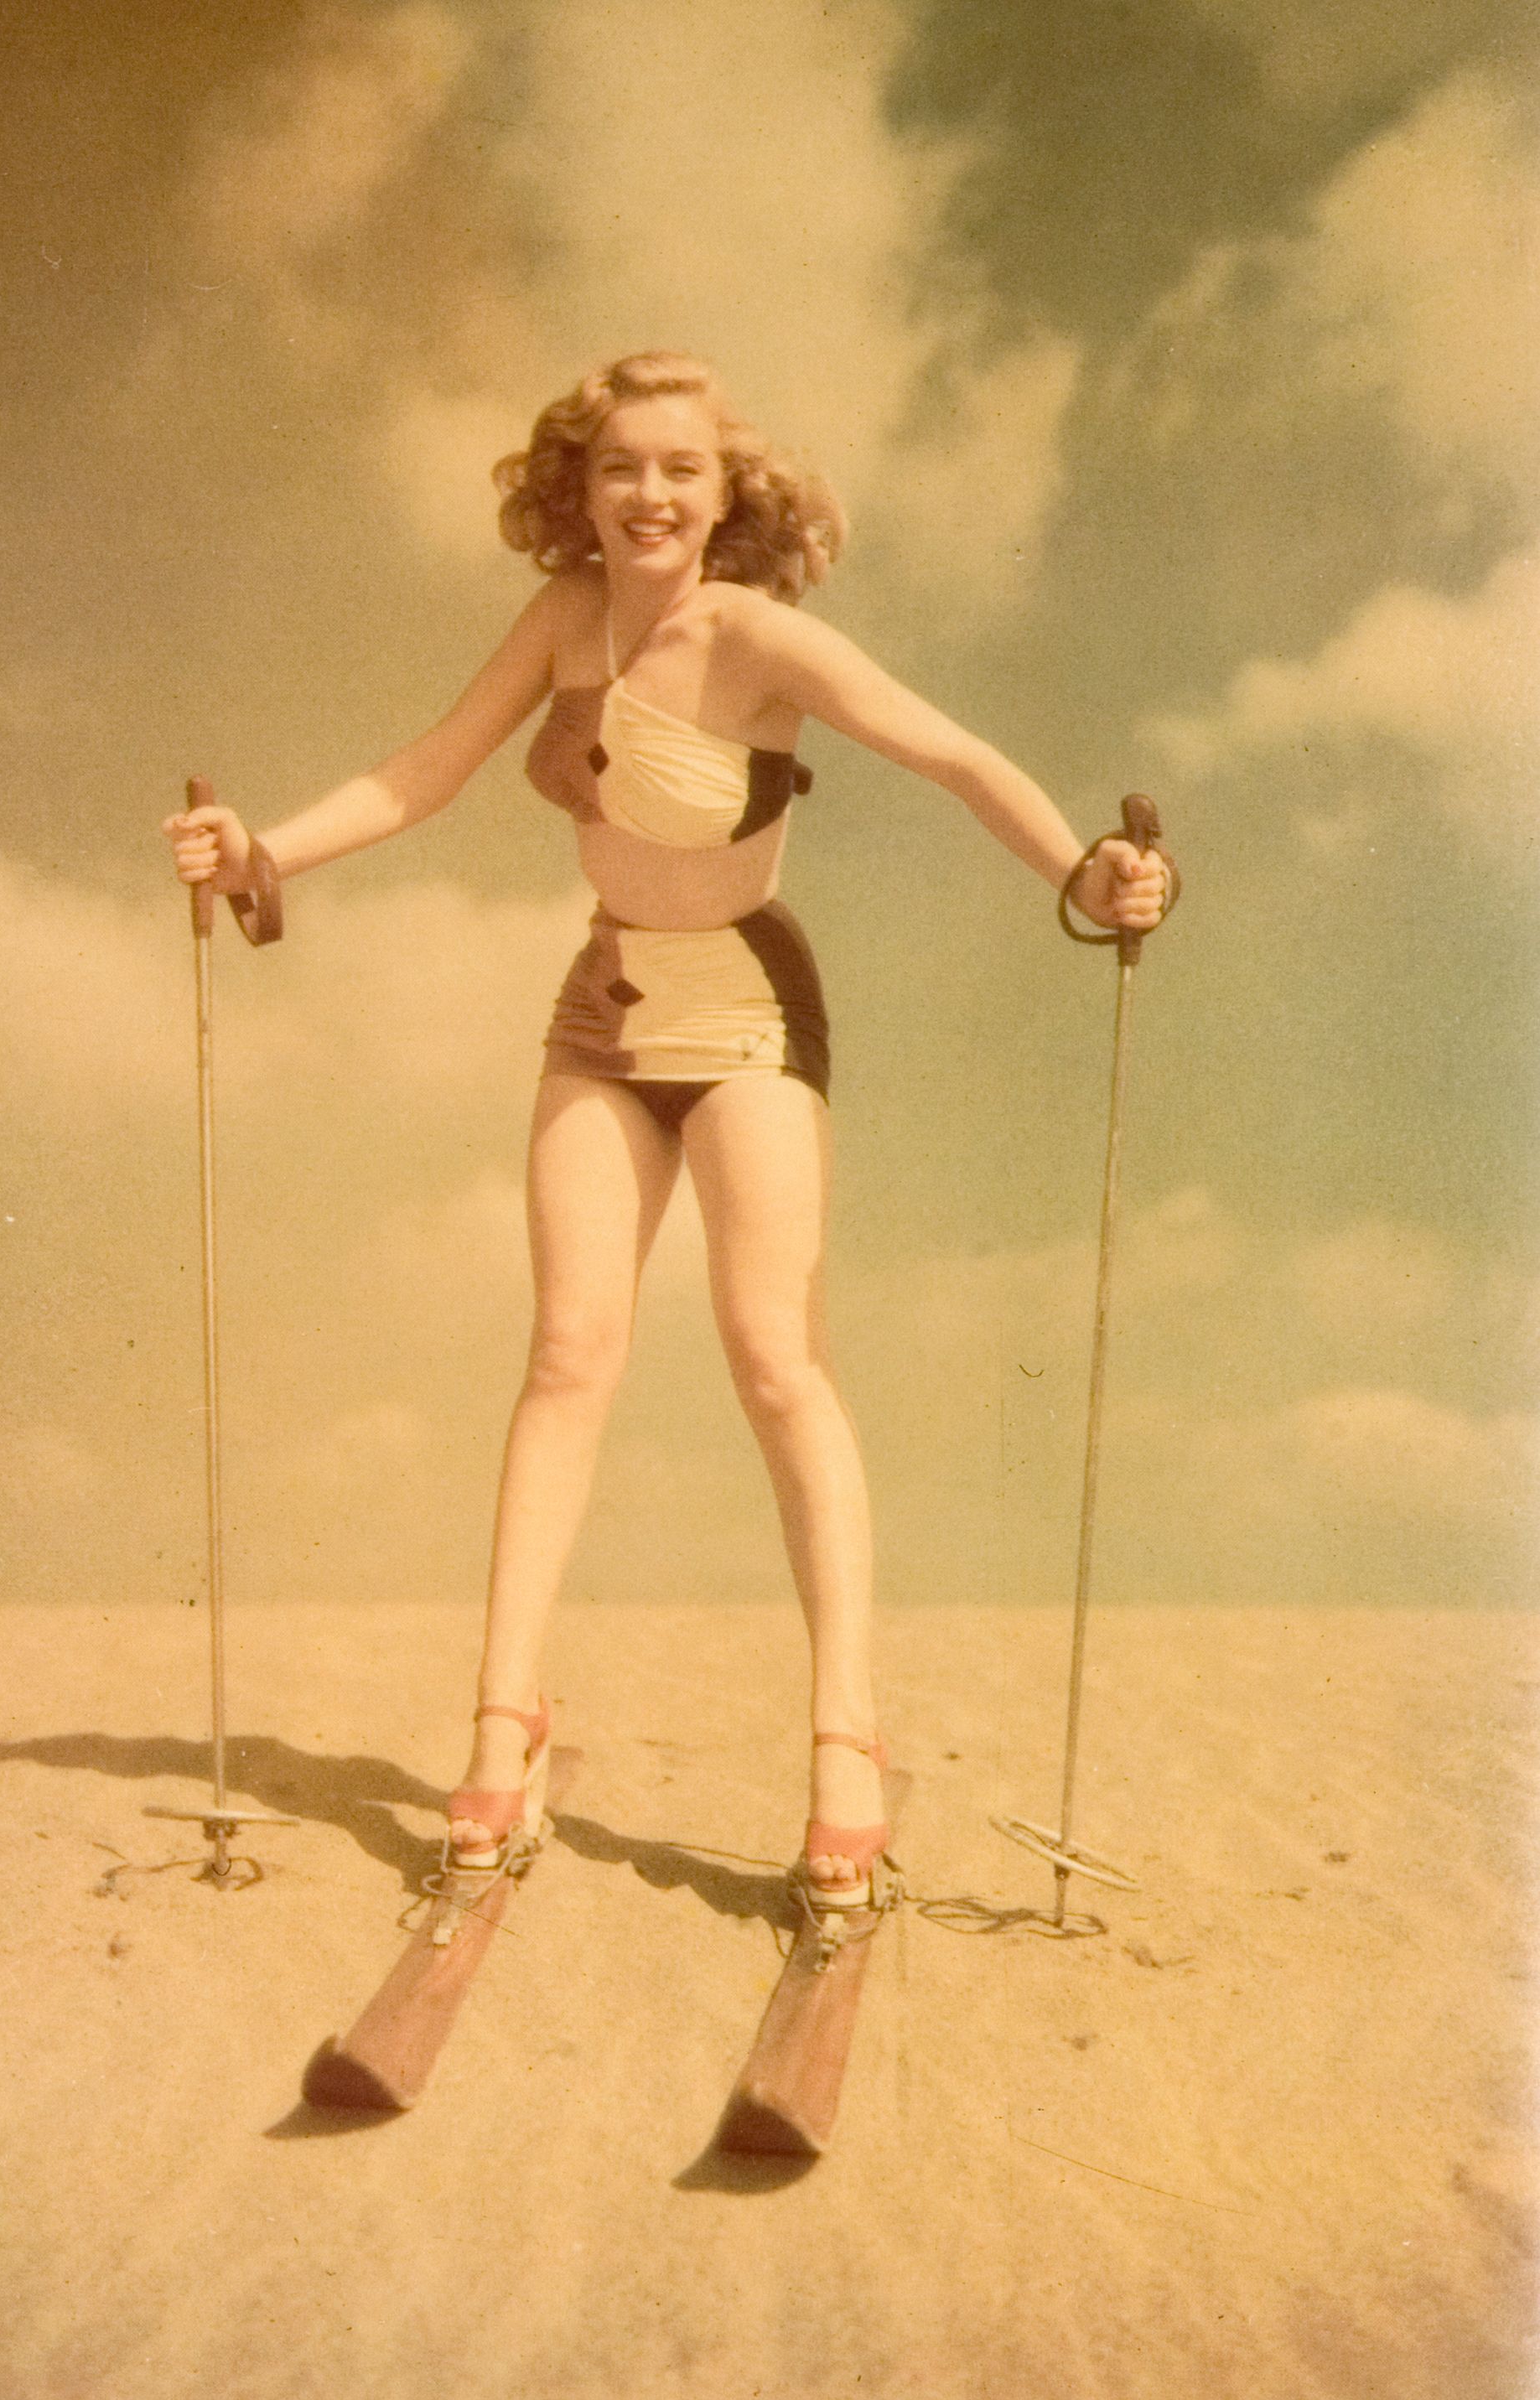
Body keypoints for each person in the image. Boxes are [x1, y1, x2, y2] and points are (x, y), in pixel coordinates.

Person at [163, 350, 1168, 1919]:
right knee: (570, 1353)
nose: (650, 494)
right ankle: (502, 1729)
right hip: (604, 1011)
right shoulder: (565, 617)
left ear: (725, 494)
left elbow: (956, 756)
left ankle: (845, 1749)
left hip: (749, 1012)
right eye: (621, 465)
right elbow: (426, 770)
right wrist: (259, 853)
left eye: (681, 468)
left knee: (774, 1357)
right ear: (579, 486)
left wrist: (1087, 872)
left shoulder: (758, 636)